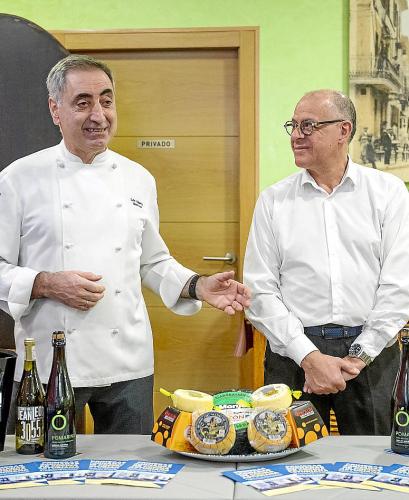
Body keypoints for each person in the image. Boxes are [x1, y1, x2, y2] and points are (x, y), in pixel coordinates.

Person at [0, 55, 251, 435]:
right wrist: (46, 283)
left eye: (106, 100)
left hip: (128, 361)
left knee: (130, 465)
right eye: (83, 102)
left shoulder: (138, 179)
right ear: (55, 109)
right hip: (49, 360)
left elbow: (152, 262)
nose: (98, 115)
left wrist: (198, 285)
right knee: (43, 465)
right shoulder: (18, 179)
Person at [243, 89, 409, 435]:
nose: (295, 135)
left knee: (371, 459)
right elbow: (260, 291)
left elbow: (400, 284)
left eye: (308, 126)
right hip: (293, 354)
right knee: (285, 454)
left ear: (343, 131)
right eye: (293, 126)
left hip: (371, 355)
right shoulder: (273, 201)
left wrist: (358, 356)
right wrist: (309, 357)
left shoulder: (388, 193)